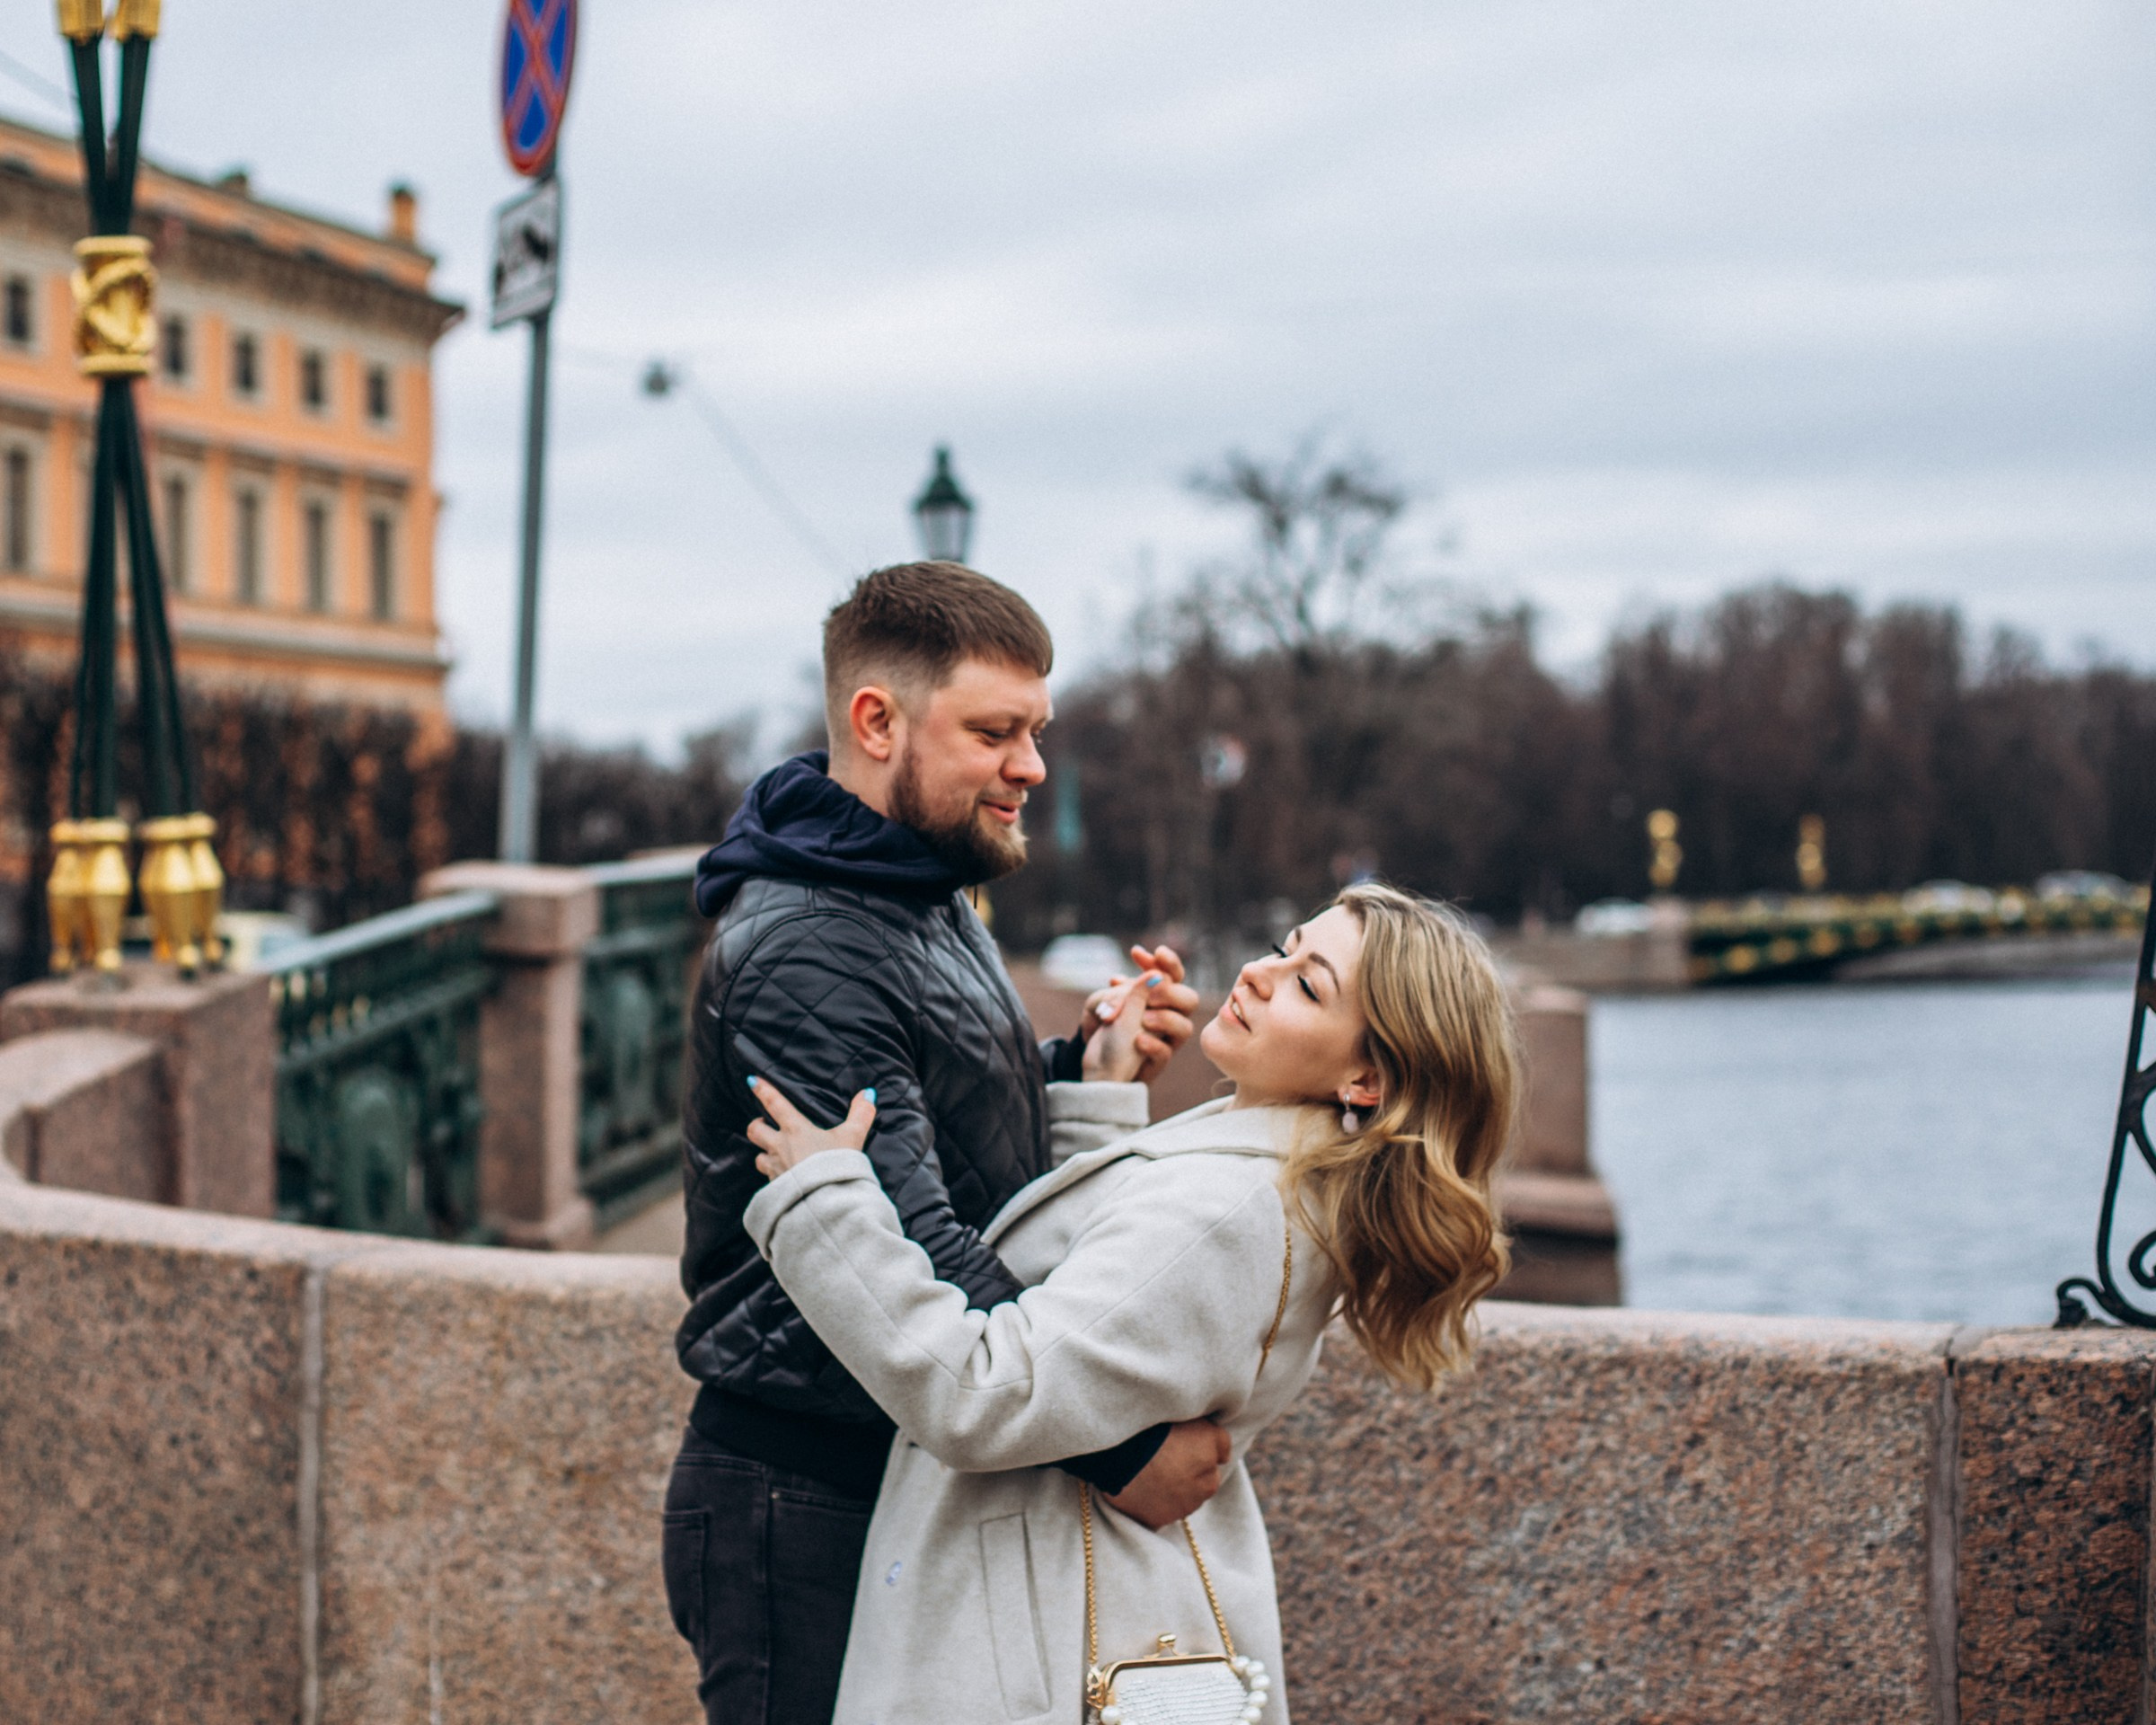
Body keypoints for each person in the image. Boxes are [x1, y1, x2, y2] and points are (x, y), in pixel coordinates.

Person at [742, 882, 1520, 1725]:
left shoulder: (1227, 1209)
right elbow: (1111, 1318)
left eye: (1307, 984)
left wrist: (824, 1206)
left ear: (1367, 1078)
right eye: (1285, 947)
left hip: (1026, 1651)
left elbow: (984, 1394)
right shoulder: (1273, 1178)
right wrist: (1101, 1097)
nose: (1259, 973)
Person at [664, 561, 1223, 1725]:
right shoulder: (807, 945)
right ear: (878, 722)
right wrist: (1122, 1450)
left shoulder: (912, 887)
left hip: (884, 1468)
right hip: (803, 1495)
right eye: (995, 732)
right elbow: (912, 1244)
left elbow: (949, 1136)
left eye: (1036, 731)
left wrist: (1082, 1068)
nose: (1032, 766)